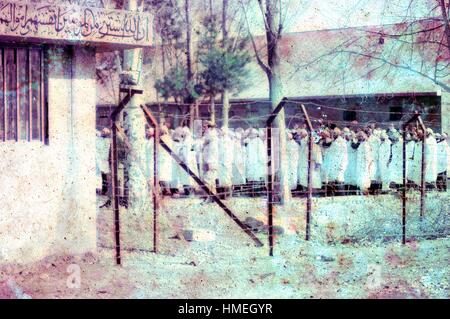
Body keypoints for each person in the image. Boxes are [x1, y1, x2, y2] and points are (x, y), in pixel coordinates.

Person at [326, 127, 348, 196]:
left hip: (339, 166)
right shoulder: (333, 142)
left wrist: (342, 166)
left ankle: (342, 197)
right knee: (332, 182)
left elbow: (345, 156)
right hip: (332, 166)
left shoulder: (342, 142)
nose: (333, 134)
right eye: (333, 133)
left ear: (338, 134)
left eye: (335, 133)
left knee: (339, 182)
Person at [202, 121, 219, 203]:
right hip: (208, 160)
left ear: (210, 127)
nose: (204, 129)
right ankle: (213, 198)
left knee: (208, 180)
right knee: (210, 180)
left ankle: (209, 197)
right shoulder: (209, 137)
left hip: (210, 161)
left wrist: (209, 162)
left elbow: (212, 152)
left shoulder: (212, 137)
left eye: (205, 127)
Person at [179, 126, 199, 196]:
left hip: (187, 161)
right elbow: (193, 151)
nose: (182, 133)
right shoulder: (190, 140)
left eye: (183, 132)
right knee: (189, 177)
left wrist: (187, 160)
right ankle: (189, 191)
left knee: (188, 177)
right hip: (190, 160)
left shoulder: (187, 141)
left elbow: (187, 152)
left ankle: (190, 192)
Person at [217, 127, 234, 199]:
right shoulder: (220, 140)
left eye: (222, 130)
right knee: (221, 179)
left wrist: (227, 161)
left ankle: (227, 195)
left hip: (226, 162)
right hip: (220, 162)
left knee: (227, 178)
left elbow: (229, 152)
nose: (220, 132)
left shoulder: (228, 140)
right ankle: (222, 195)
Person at [96, 128, 111, 207]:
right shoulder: (102, 140)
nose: (102, 132)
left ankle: (103, 193)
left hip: (102, 161)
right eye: (102, 131)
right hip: (100, 162)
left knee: (103, 177)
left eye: (104, 132)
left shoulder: (106, 141)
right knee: (101, 177)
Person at [158, 125, 173, 196]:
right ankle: (168, 189)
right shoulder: (170, 139)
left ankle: (165, 189)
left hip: (161, 158)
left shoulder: (160, 138)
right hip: (169, 158)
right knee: (167, 174)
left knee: (162, 174)